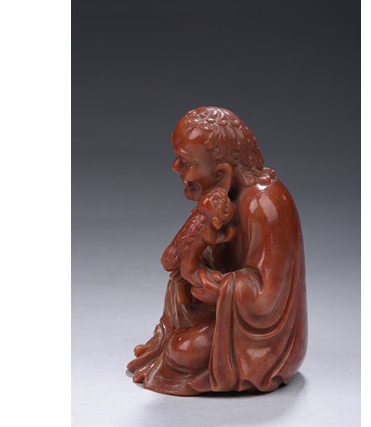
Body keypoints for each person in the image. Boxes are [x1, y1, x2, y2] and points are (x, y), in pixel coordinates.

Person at [127, 106, 307, 395]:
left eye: (185, 162)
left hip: (262, 340)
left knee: (180, 350)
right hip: (225, 314)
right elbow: (205, 258)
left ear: (222, 173)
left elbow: (268, 300)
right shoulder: (222, 199)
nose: (175, 168)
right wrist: (196, 259)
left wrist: (220, 288)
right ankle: (173, 341)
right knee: (177, 331)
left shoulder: (266, 205)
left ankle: (189, 352)